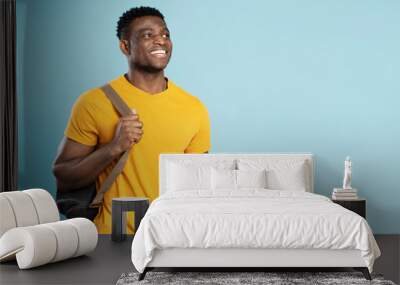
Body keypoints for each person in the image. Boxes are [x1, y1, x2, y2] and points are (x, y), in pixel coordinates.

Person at [52, 7, 211, 234]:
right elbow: (63, 176)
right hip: (111, 237)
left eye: (165, 34)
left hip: (169, 237)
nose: (160, 41)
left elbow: (199, 186)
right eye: (148, 35)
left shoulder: (194, 108)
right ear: (125, 46)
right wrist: (114, 147)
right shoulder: (94, 102)